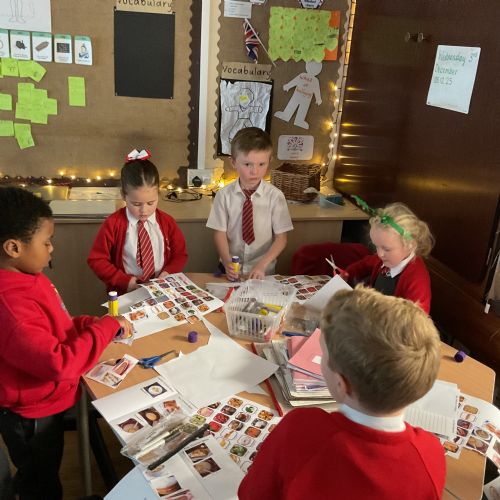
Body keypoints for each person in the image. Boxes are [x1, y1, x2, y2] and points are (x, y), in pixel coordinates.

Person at [239, 287, 446, 499]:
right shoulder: (431, 453)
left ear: (341, 384)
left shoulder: (300, 430)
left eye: (323, 355)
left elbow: (251, 494)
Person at [0, 187, 132, 500]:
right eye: (46, 242)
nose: (52, 249)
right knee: (40, 480)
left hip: (46, 403)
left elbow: (56, 326)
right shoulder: (11, 306)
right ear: (14, 247)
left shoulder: (29, 275)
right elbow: (59, 362)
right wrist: (106, 327)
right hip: (32, 414)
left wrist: (89, 325)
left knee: (45, 469)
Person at [88, 150, 188, 295]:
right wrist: (124, 281)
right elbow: (97, 260)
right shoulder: (113, 223)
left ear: (158, 194)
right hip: (125, 293)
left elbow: (180, 254)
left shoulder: (167, 222)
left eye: (151, 203)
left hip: (162, 290)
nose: (144, 210)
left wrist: (167, 273)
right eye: (136, 204)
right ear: (124, 196)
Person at [206, 127, 293, 280]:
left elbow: (281, 239)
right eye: (247, 164)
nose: (255, 171)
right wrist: (226, 261)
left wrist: (262, 265)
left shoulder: (275, 196)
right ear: (233, 162)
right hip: (231, 268)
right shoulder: (224, 195)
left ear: (269, 161)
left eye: (261, 164)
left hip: (263, 270)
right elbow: (219, 233)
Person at [344, 201, 434, 313]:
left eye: (386, 249)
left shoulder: (417, 280)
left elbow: (417, 319)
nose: (379, 254)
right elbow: (364, 264)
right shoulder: (384, 259)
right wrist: (347, 274)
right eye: (376, 246)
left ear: (410, 245)